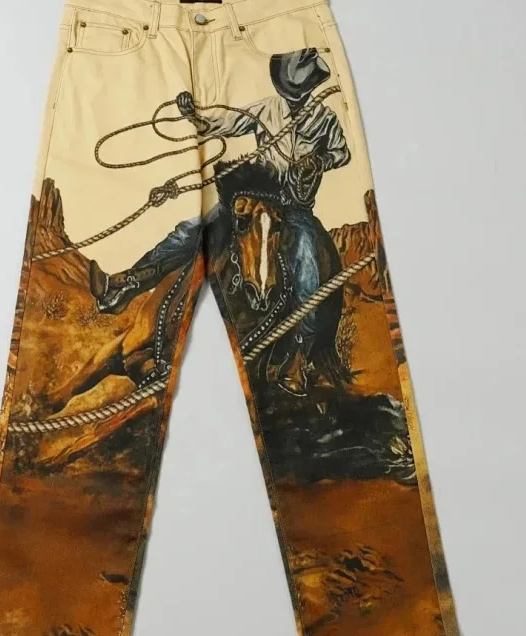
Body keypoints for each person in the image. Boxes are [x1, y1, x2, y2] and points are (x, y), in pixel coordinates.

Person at [89, 48, 351, 395]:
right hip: (259, 196)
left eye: (298, 91)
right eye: (289, 90)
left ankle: (300, 355)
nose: (293, 97)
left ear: (310, 88)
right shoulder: (267, 109)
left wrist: (320, 160)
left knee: (306, 267)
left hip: (294, 208)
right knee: (192, 231)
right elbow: (228, 122)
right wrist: (193, 115)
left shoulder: (326, 120)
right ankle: (126, 284)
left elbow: (342, 153)